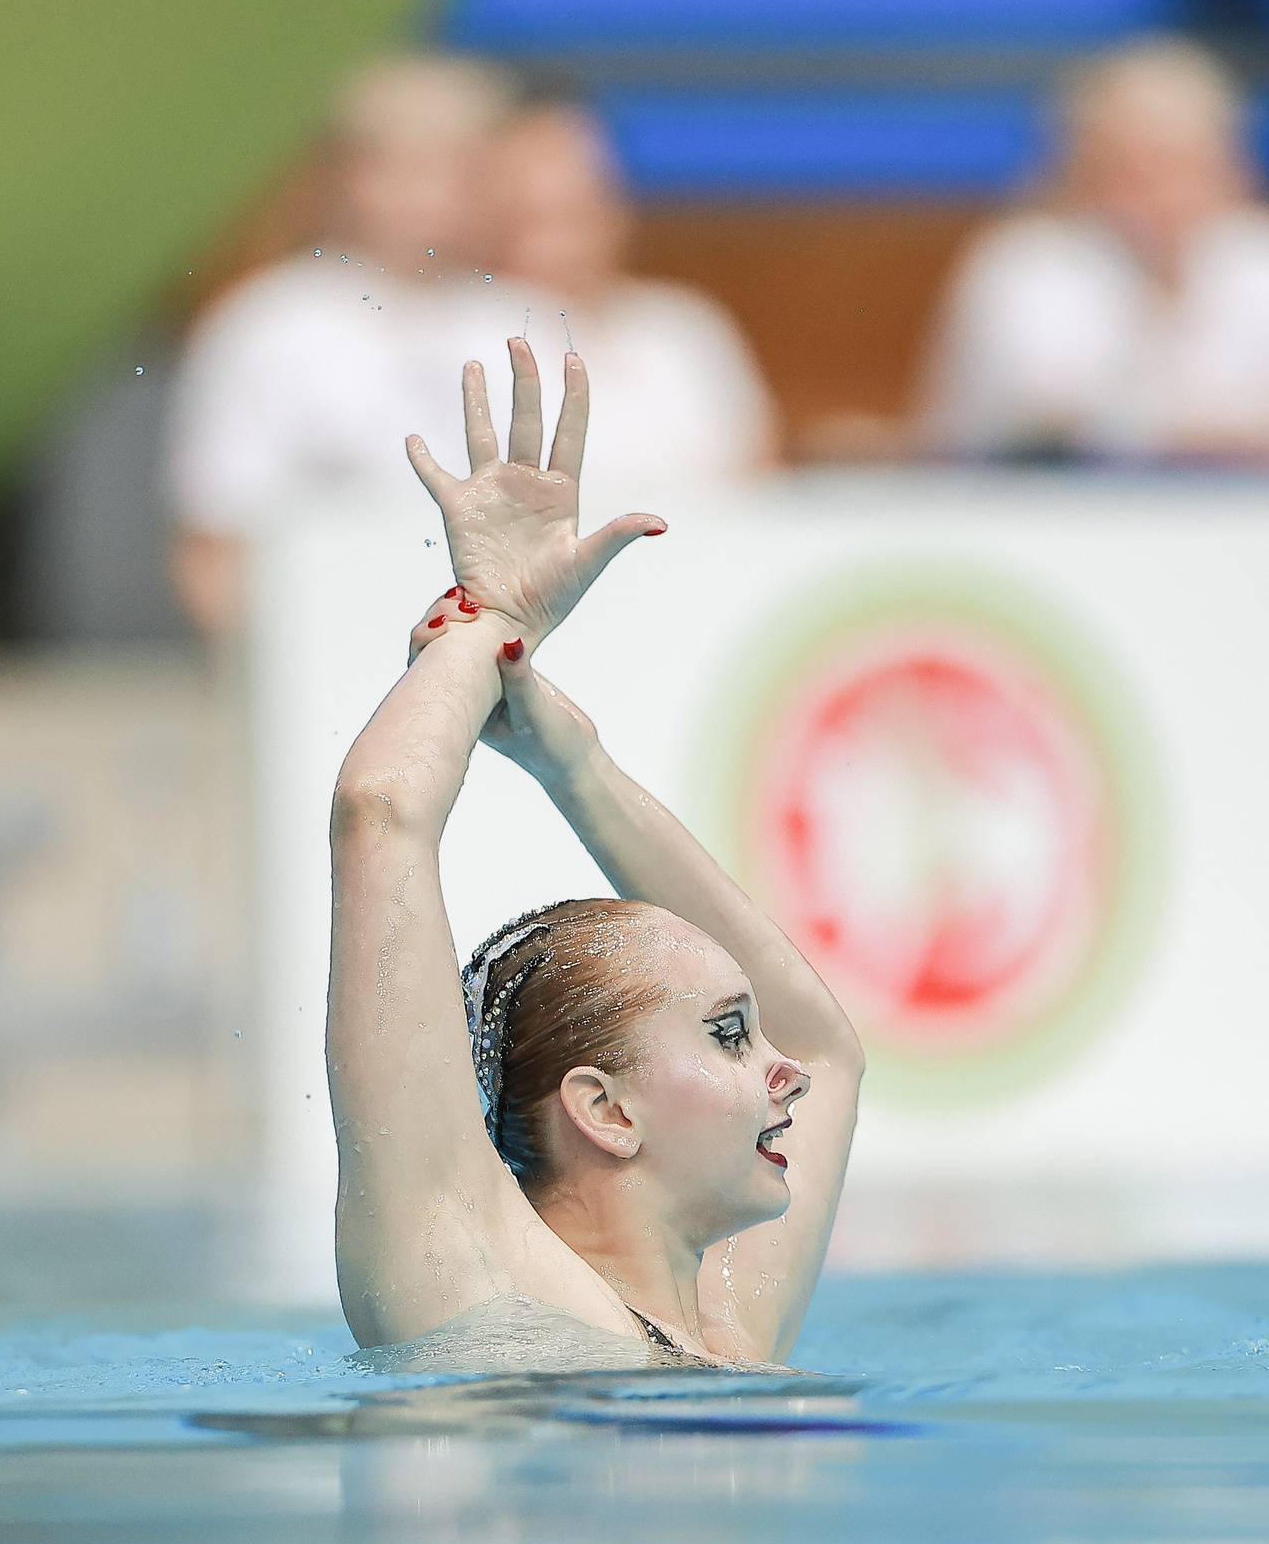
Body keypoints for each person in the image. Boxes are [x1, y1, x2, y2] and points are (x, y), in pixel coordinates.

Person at [326, 338, 865, 1366]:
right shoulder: (471, 1286)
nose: (785, 1068)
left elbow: (826, 1042)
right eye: (727, 1032)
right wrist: (485, 625)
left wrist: (578, 765)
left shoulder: (727, 1332)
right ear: (604, 1110)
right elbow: (376, 815)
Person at [168, 55, 527, 637]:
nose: (430, 196)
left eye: (456, 169)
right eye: (406, 167)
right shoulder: (267, 328)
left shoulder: (519, 322)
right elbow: (213, 548)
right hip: (325, 656)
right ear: (352, 176)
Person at [920, 37, 1269, 462]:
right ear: (1081, 169)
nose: (1159, 192)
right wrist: (1230, 434)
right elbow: (1061, 422)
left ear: (1233, 165)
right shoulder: (1024, 266)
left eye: (1182, 163)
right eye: (1132, 165)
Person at [486, 102, 777, 491]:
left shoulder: (686, 321)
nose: (570, 244)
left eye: (583, 211)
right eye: (543, 218)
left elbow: (762, 470)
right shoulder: (463, 332)